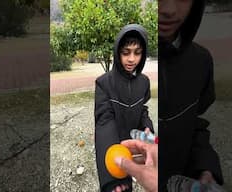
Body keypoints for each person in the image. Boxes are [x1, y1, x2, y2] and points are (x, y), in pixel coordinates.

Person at [158, 0, 223, 191]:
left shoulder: (201, 62)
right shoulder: (128, 62)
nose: (169, 10)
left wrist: (204, 167)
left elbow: (195, 122)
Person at [94, 24, 154, 192]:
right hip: (113, 144)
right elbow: (104, 122)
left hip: (134, 144)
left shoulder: (144, 82)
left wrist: (148, 129)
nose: (131, 59)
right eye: (126, 52)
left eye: (137, 52)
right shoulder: (103, 83)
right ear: (117, 52)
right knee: (121, 185)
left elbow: (143, 109)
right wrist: (111, 174)